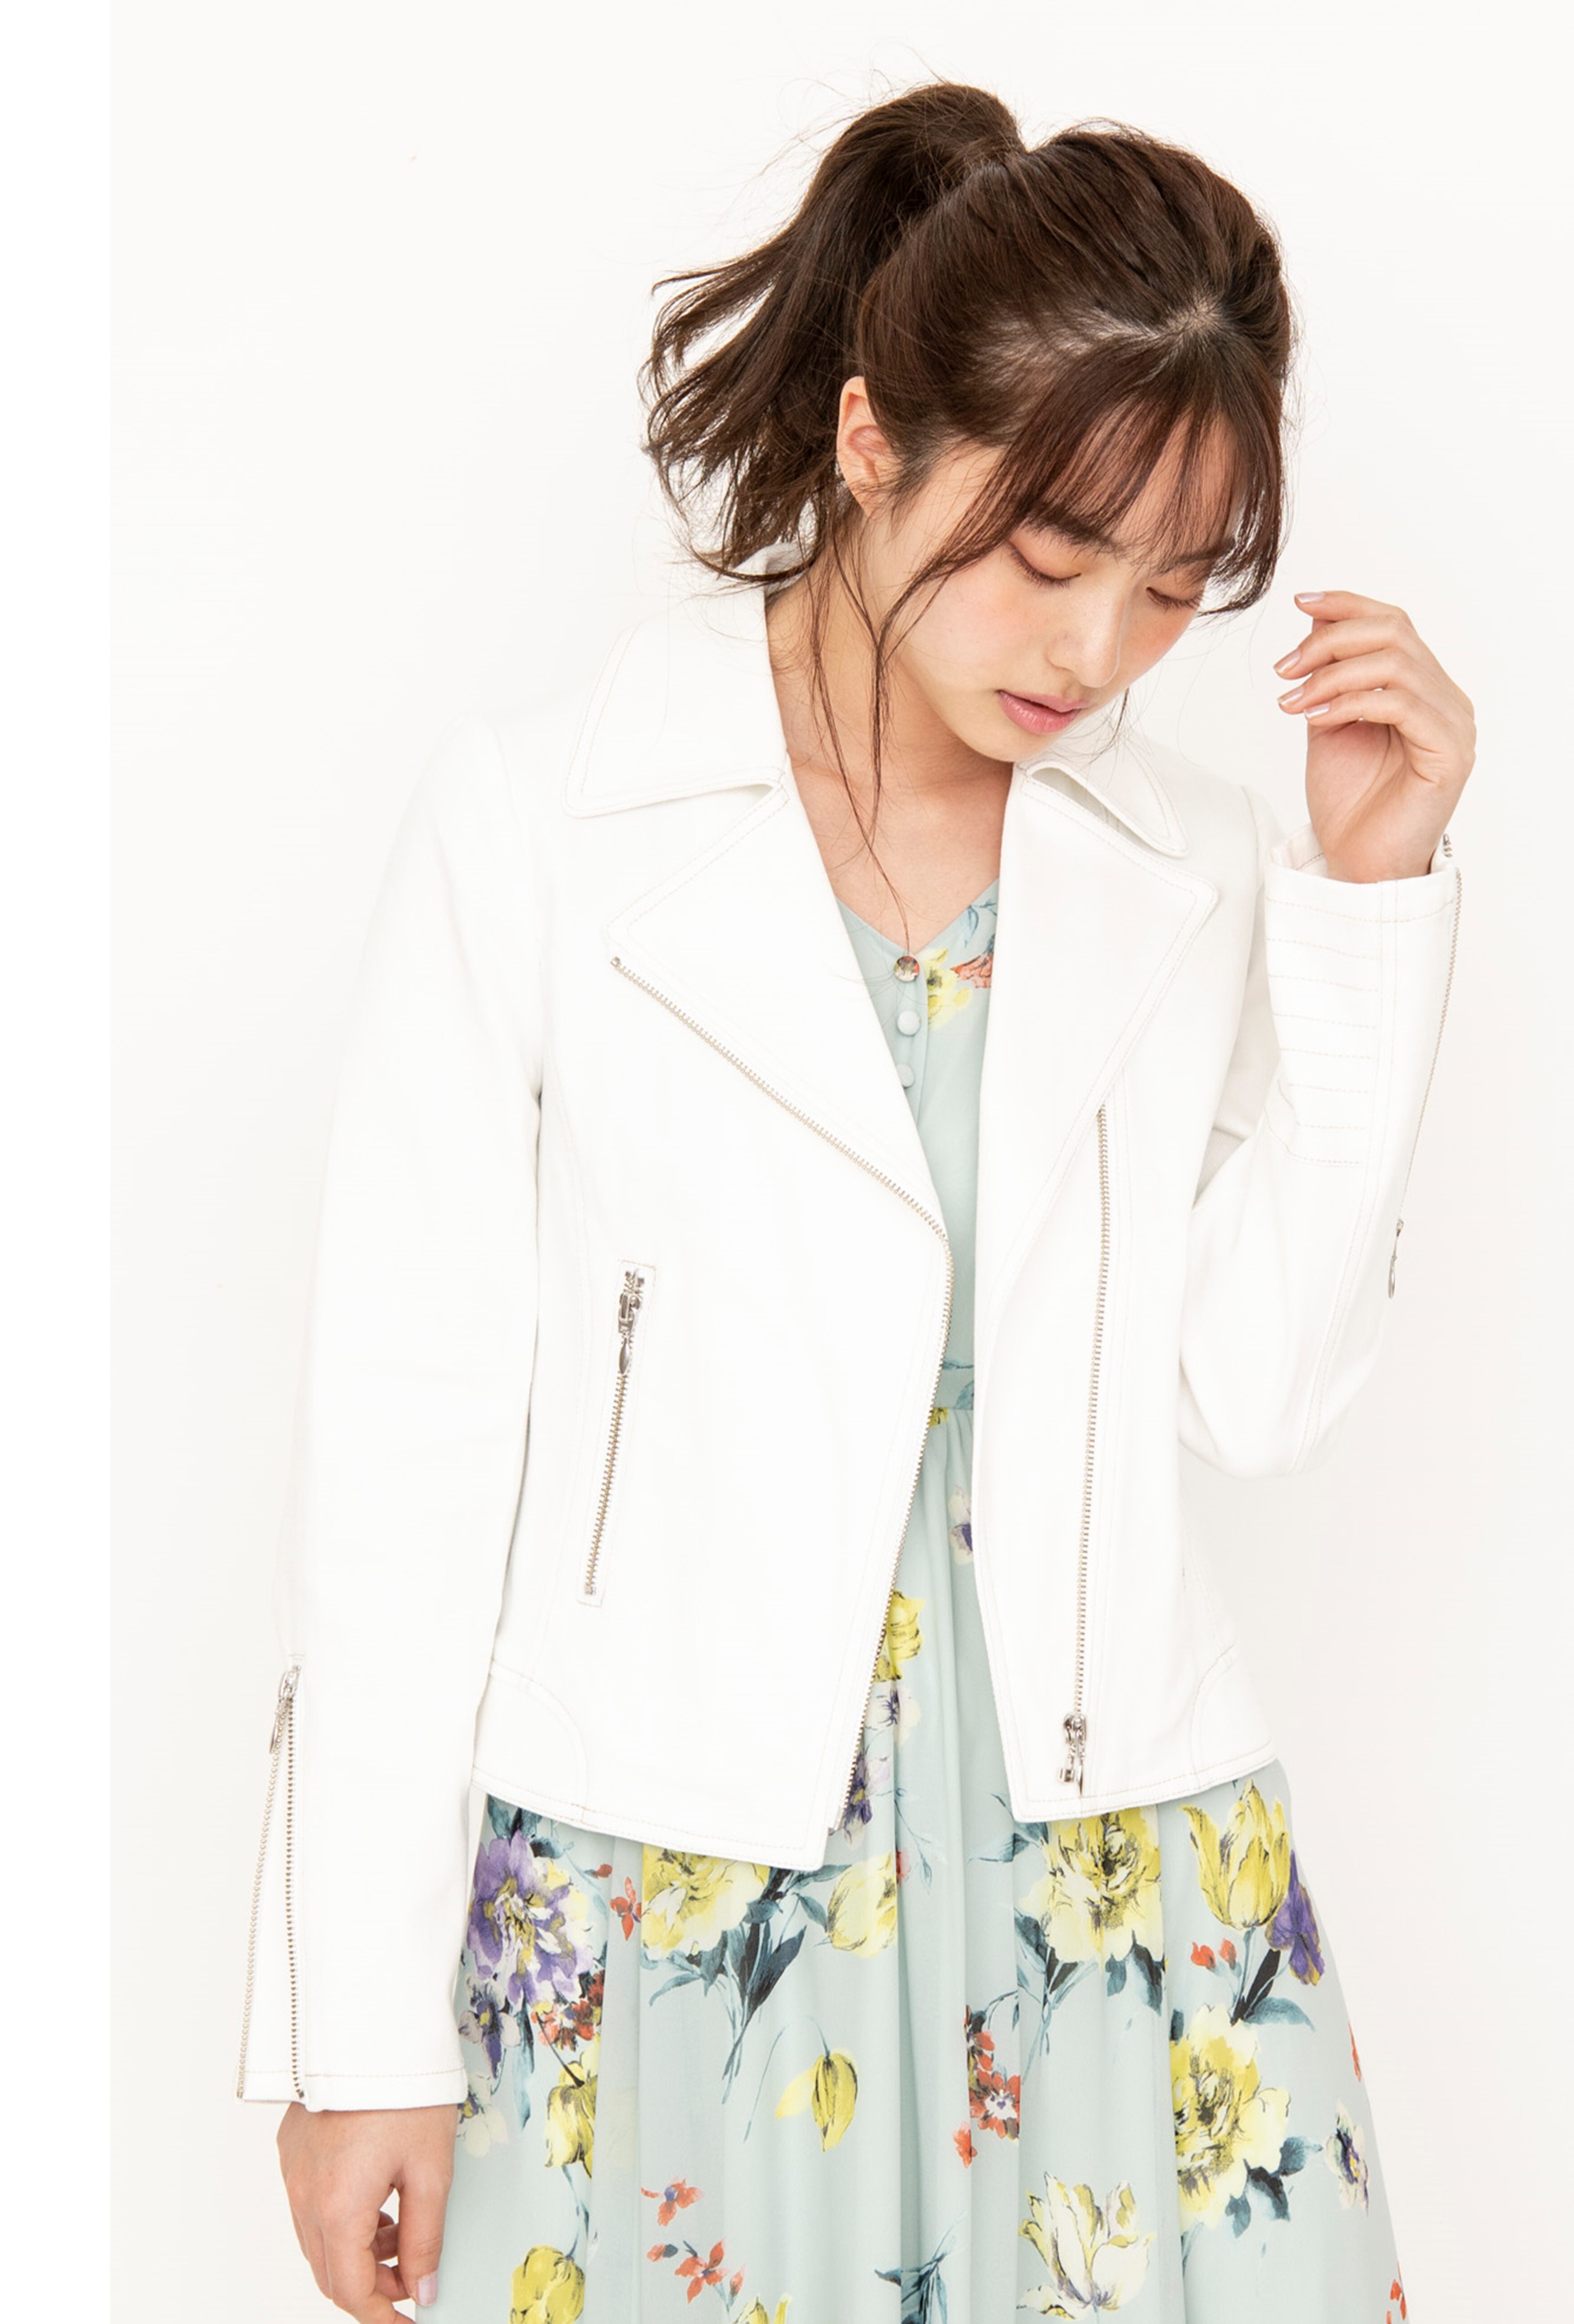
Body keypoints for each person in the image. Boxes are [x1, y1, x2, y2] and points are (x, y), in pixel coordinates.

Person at [238, 77, 1472, 2323]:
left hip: (1116, 1889)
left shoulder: (1187, 864)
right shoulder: (542, 831)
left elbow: (1259, 1390)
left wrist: (1368, 905)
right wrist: (355, 2034)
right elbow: (404, 1456)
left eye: (1169, 588)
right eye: (1049, 553)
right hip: (673, 1891)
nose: (1093, 652)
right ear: (871, 439)